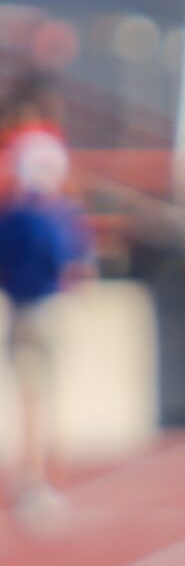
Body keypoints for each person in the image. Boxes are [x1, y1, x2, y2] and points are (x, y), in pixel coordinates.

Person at [0, 75, 93, 528]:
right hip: (49, 306)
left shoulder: (11, 216)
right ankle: (46, 485)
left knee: (30, 400)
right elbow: (75, 266)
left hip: (20, 307)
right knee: (51, 400)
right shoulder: (60, 216)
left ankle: (33, 482)